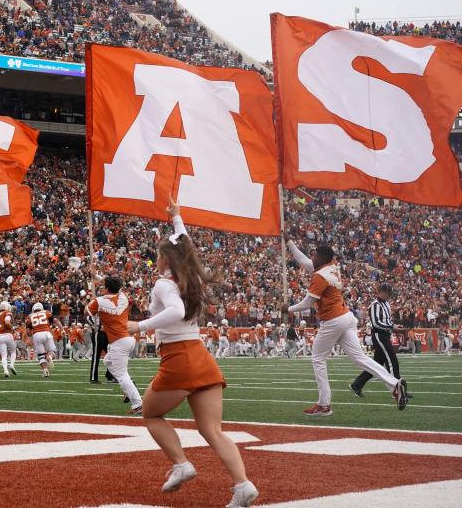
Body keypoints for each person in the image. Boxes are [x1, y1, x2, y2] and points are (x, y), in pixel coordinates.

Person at [135, 198, 258, 508]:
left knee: (150, 414)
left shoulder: (165, 284)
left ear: (164, 257)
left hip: (180, 358)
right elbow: (185, 246)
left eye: (159, 255)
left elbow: (174, 312)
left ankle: (181, 464)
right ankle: (243, 485)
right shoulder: (189, 277)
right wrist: (177, 218)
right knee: (212, 430)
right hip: (201, 355)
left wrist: (139, 326)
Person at [285, 237, 408, 416]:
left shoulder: (319, 275)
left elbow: (307, 303)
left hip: (333, 320)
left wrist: (288, 308)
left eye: (314, 255)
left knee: (318, 359)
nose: (312, 258)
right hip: (347, 318)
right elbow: (304, 261)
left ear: (321, 258)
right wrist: (289, 242)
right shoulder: (331, 268)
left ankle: (324, 405)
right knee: (360, 358)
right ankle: (394, 385)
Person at [87, 277, 142, 414]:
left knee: (122, 375)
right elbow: (115, 286)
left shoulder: (98, 301)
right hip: (128, 338)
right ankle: (129, 386)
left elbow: (86, 313)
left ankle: (138, 404)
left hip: (119, 341)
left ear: (105, 288)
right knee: (107, 361)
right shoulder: (123, 296)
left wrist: (94, 305)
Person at [350, 284, 406, 399]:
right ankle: (398, 390)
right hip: (379, 336)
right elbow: (375, 323)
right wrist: (391, 326)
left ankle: (356, 385)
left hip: (385, 335)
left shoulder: (386, 304)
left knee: (376, 365)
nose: (390, 295)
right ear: (382, 291)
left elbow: (387, 321)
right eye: (388, 292)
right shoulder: (375, 305)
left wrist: (393, 325)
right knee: (392, 361)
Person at [27, 301, 62, 378]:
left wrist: (30, 338)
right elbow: (55, 320)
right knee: (52, 352)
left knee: (41, 356)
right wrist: (61, 329)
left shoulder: (30, 316)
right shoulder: (46, 312)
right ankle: (49, 357)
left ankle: (45, 370)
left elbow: (28, 331)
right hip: (47, 332)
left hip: (36, 335)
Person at [0, 301, 18, 377]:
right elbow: (7, 321)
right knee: (13, 352)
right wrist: (13, 329)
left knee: (4, 356)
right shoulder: (7, 312)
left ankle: (5, 370)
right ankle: (11, 365)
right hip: (7, 334)